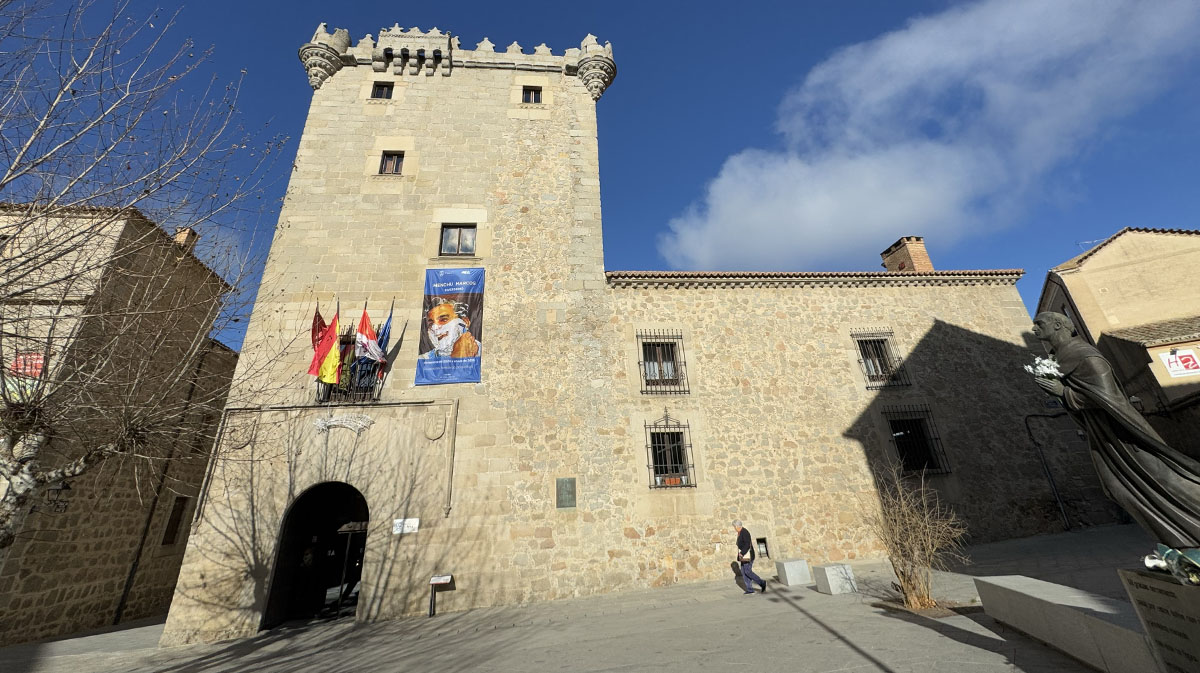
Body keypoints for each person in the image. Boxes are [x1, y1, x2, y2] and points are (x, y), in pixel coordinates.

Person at [1032, 312, 1200, 580]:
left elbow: (1108, 398)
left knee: (1161, 478)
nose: (1034, 329)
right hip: (1103, 433)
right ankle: (1180, 542)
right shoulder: (1062, 358)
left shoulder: (1085, 355)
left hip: (1123, 433)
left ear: (1058, 325)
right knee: (1116, 488)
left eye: (1039, 324)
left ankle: (1190, 534)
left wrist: (1063, 393)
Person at [733, 520, 766, 594]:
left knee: (747, 571)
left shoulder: (745, 532)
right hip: (743, 556)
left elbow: (747, 544)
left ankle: (762, 582)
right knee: (744, 572)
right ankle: (750, 589)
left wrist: (741, 553)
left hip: (747, 556)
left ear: (737, 526)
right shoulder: (740, 533)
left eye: (734, 527)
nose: (734, 528)